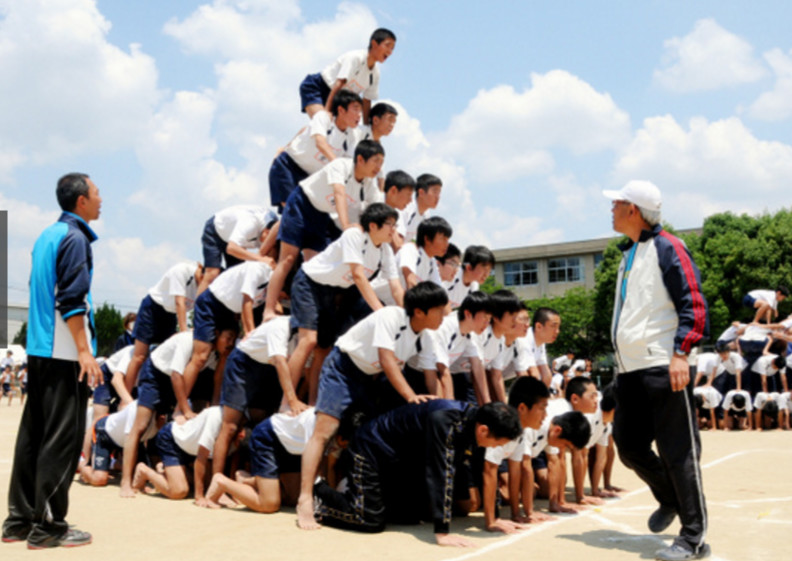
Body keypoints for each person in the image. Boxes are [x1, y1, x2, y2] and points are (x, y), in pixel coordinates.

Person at [604, 180, 710, 561]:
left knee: (678, 453)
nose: (611, 209)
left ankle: (693, 537)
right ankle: (669, 498)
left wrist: (682, 353)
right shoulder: (628, 254)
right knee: (628, 445)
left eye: (616, 203)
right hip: (630, 369)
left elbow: (693, 302)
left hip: (664, 365)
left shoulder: (669, 247)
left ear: (633, 209)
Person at [295, 282, 448, 530]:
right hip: (343, 367)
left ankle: (351, 497)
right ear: (419, 311)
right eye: (440, 310)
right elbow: (387, 360)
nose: (445, 315)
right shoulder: (390, 316)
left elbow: (432, 377)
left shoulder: (426, 337)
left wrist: (441, 408)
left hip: (369, 378)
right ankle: (304, 499)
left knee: (370, 437)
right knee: (325, 430)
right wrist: (410, 396)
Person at [3, 173, 102, 549]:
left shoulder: (47, 235)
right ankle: (48, 526)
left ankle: (19, 520)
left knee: (34, 435)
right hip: (63, 352)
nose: (100, 199)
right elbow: (72, 299)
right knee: (62, 439)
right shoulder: (75, 239)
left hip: (39, 348)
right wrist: (84, 350)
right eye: (96, 194)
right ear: (80, 201)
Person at [313, 400, 522, 547]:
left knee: (409, 516)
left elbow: (480, 469)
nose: (497, 449)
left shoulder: (474, 424)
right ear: (483, 430)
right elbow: (442, 472)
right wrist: (442, 532)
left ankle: (357, 498)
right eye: (498, 443)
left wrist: (492, 519)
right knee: (369, 521)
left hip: (397, 462)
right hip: (370, 450)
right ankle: (319, 493)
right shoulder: (446, 420)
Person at [263, 140, 386, 322]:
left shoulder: (368, 184)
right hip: (301, 204)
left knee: (313, 267)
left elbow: (378, 211)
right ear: (360, 159)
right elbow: (339, 193)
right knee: (287, 259)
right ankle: (268, 309)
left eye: (382, 162)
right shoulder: (340, 166)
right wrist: (346, 227)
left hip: (321, 215)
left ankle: (305, 312)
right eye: (375, 160)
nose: (379, 167)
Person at [269, 90, 364, 211]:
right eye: (355, 109)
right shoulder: (323, 118)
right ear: (341, 110)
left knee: (297, 219)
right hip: (289, 166)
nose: (359, 115)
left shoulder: (352, 136)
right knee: (291, 212)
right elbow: (320, 143)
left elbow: (348, 164)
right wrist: (337, 164)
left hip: (310, 179)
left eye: (361, 110)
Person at [125, 261, 205, 391]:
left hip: (170, 315)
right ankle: (125, 399)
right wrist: (184, 332)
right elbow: (180, 303)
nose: (205, 282)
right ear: (201, 268)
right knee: (139, 356)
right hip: (153, 308)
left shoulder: (207, 286)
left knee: (164, 359)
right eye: (204, 277)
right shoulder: (182, 271)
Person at [299, 28, 396, 122]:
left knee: (331, 133)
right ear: (374, 44)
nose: (390, 52)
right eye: (387, 46)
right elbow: (339, 83)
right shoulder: (356, 58)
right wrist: (327, 111)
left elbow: (366, 101)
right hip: (318, 88)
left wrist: (366, 130)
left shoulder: (375, 74)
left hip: (339, 101)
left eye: (392, 48)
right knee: (323, 124)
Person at [197, 205, 277, 293]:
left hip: (237, 239)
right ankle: (198, 306)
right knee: (212, 274)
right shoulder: (249, 223)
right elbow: (231, 248)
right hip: (217, 230)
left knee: (238, 277)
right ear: (266, 232)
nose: (265, 245)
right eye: (266, 241)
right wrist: (260, 259)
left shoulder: (275, 229)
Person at [396, 173, 442, 246]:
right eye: (435, 192)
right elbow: (396, 239)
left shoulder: (427, 215)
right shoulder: (406, 209)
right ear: (421, 193)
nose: (438, 197)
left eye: (439, 193)